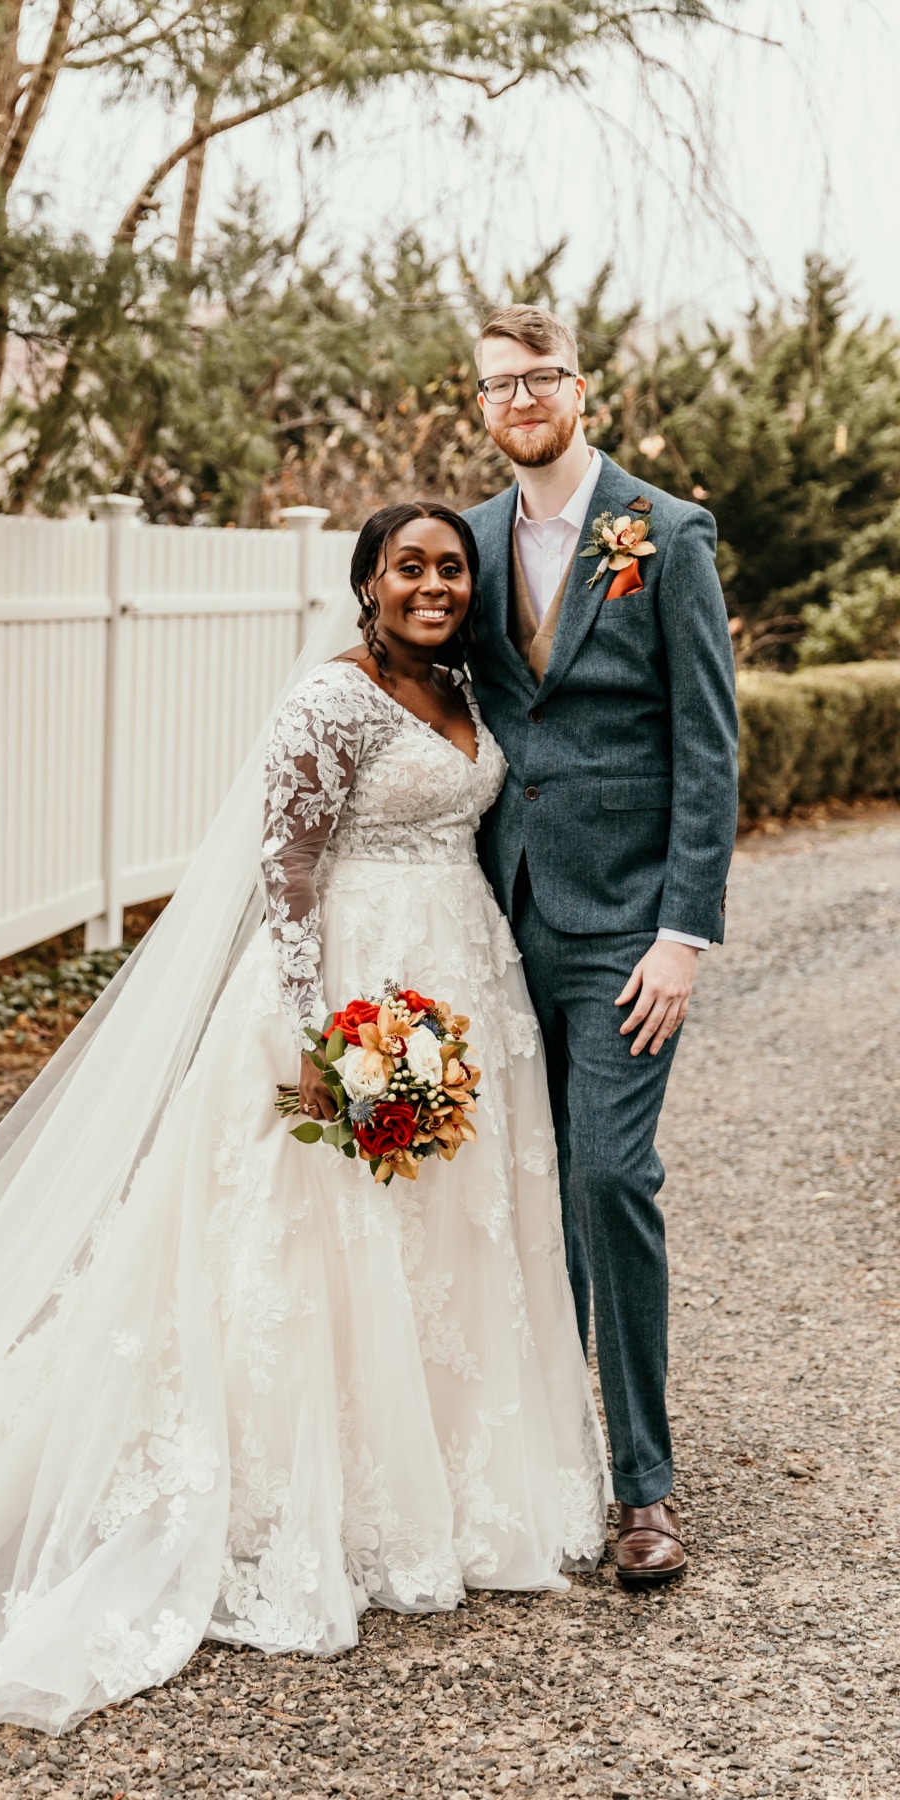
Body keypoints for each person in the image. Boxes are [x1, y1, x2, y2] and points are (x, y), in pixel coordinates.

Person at [0, 502, 607, 1733]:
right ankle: (298, 1493)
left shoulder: (469, 689)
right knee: (309, 1241)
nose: (435, 585)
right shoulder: (330, 698)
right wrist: (315, 1030)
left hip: (463, 974)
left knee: (444, 1235)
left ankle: (442, 1483)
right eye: (410, 567)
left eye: (452, 568)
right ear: (367, 583)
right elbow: (287, 866)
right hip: (347, 987)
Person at [464, 304, 740, 1585]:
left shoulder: (666, 534)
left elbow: (708, 747)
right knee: (520, 1194)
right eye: (497, 386)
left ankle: (643, 1487)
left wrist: (682, 932)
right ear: (480, 406)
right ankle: (530, 1469)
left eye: (541, 378)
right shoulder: (463, 543)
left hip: (625, 928)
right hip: (493, 915)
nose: (521, 399)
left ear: (582, 387)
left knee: (607, 1180)